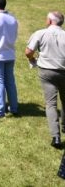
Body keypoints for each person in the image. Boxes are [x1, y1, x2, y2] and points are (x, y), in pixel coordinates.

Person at [26, 11, 65, 147]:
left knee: (51, 104)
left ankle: (56, 137)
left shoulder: (41, 33)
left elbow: (28, 51)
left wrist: (32, 59)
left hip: (47, 71)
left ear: (49, 21)